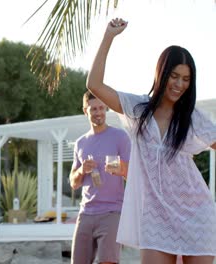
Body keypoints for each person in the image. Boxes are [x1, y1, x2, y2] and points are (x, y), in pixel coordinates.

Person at [87, 18, 216, 264]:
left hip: (197, 216)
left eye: (186, 79)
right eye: (174, 76)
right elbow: (94, 85)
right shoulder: (138, 109)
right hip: (155, 218)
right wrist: (108, 37)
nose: (179, 84)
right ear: (162, 74)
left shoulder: (192, 118)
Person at [69, 91, 131, 264]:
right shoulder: (80, 143)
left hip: (112, 211)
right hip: (86, 212)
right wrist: (81, 170)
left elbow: (133, 176)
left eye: (101, 108)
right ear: (85, 111)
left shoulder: (120, 137)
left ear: (106, 108)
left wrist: (122, 170)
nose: (98, 112)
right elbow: (73, 183)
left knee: (108, 262)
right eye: (93, 109)